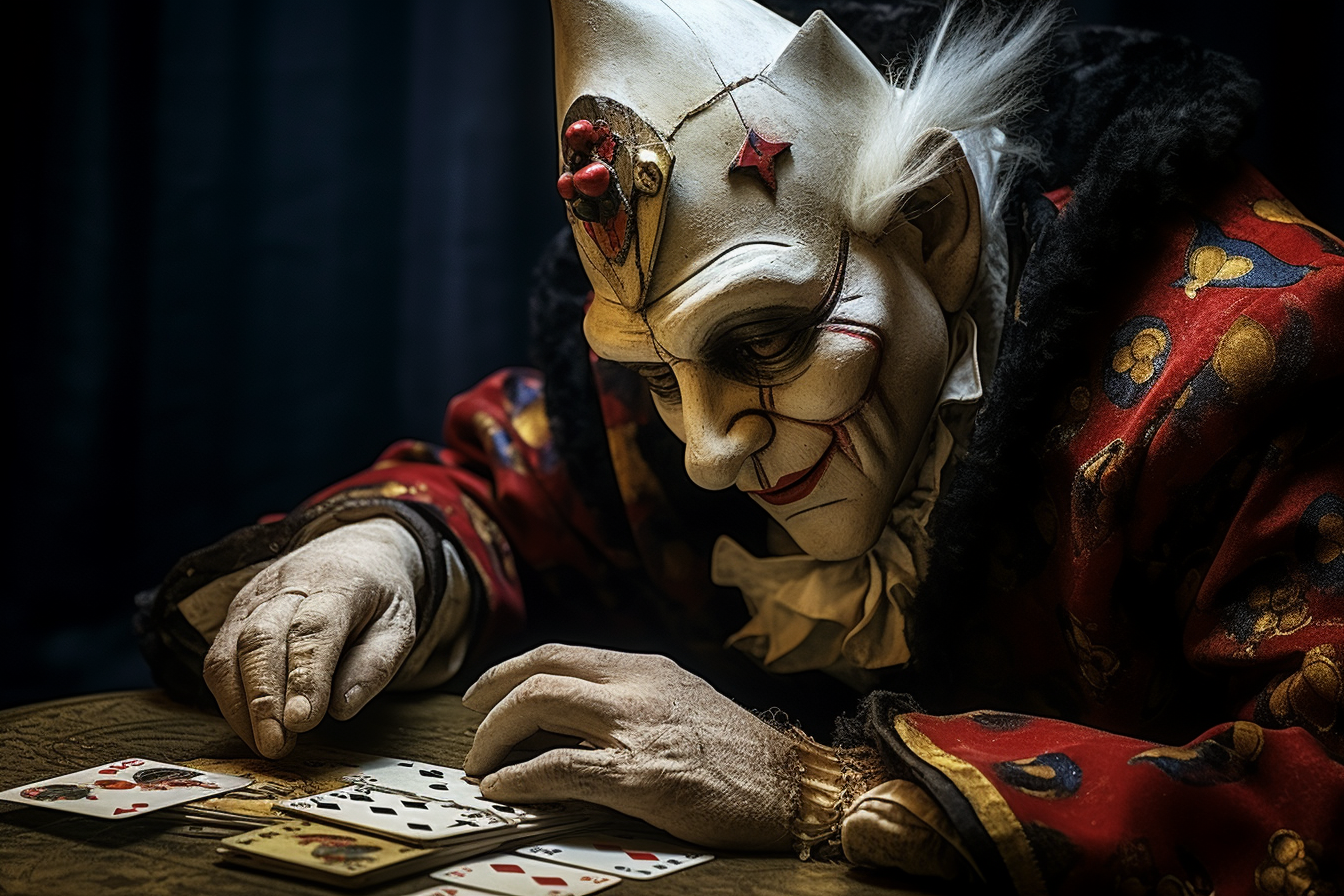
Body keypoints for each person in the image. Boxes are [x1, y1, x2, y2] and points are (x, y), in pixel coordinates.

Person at [138, 0, 1343, 891]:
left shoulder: (1242, 355)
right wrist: (388, 550)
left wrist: (816, 786)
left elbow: (1322, 790)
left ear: (929, 221)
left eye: (765, 340)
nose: (708, 453)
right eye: (658, 374)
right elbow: (515, 478)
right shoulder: (655, 410)